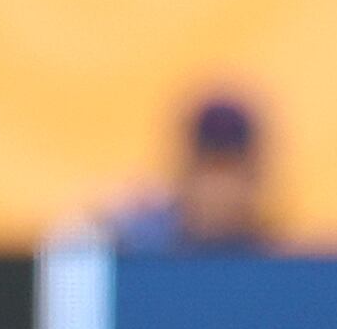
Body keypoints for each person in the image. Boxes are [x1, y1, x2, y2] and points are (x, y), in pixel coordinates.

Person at [110, 92, 269, 251]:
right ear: (187, 171)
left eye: (229, 170)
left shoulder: (270, 255)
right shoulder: (139, 244)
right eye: (210, 168)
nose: (220, 189)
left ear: (252, 176)